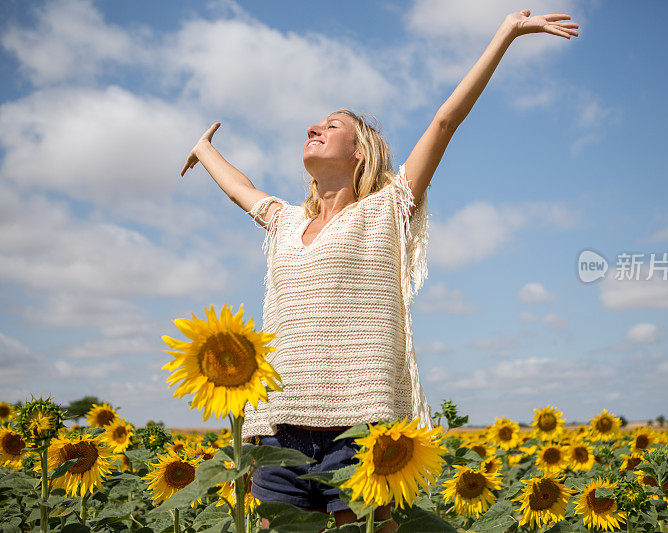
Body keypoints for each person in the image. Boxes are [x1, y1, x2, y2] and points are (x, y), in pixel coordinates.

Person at [180, 9, 578, 531]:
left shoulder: (386, 209)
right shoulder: (285, 222)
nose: (313, 129)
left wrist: (506, 32)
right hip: (277, 438)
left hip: (359, 432)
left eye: (331, 126)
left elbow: (444, 122)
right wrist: (205, 150)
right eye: (315, 124)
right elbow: (241, 190)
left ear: (360, 152)